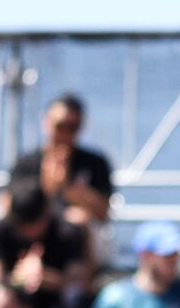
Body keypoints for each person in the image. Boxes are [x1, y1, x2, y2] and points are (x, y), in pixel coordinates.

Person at [0, 177, 95, 308]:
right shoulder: (1, 230)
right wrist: (18, 279)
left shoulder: (67, 230)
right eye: (22, 226)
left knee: (74, 298)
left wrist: (48, 278)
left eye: (34, 223)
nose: (28, 232)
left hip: (54, 305)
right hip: (12, 303)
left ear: (46, 212)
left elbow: (81, 281)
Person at [8, 93, 115, 232]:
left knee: (79, 221)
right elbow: (8, 206)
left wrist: (68, 187)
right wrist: (45, 187)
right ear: (46, 121)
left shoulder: (95, 163)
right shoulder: (27, 162)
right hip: (34, 232)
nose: (65, 133)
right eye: (60, 125)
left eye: (72, 127)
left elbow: (104, 212)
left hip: (79, 239)